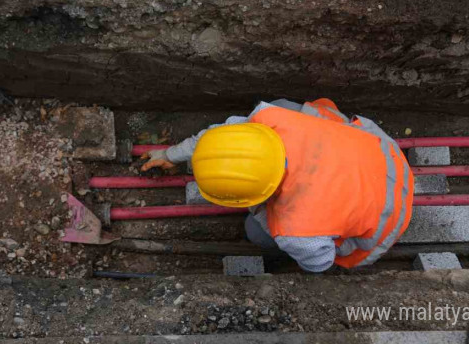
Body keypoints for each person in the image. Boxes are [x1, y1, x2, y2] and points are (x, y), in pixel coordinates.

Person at [141, 98, 413, 273]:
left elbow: (320, 263)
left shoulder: (295, 229)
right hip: (383, 152)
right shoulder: (269, 118)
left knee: (255, 231)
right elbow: (221, 134)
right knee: (294, 107)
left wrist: (262, 213)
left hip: (387, 221)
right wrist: (170, 154)